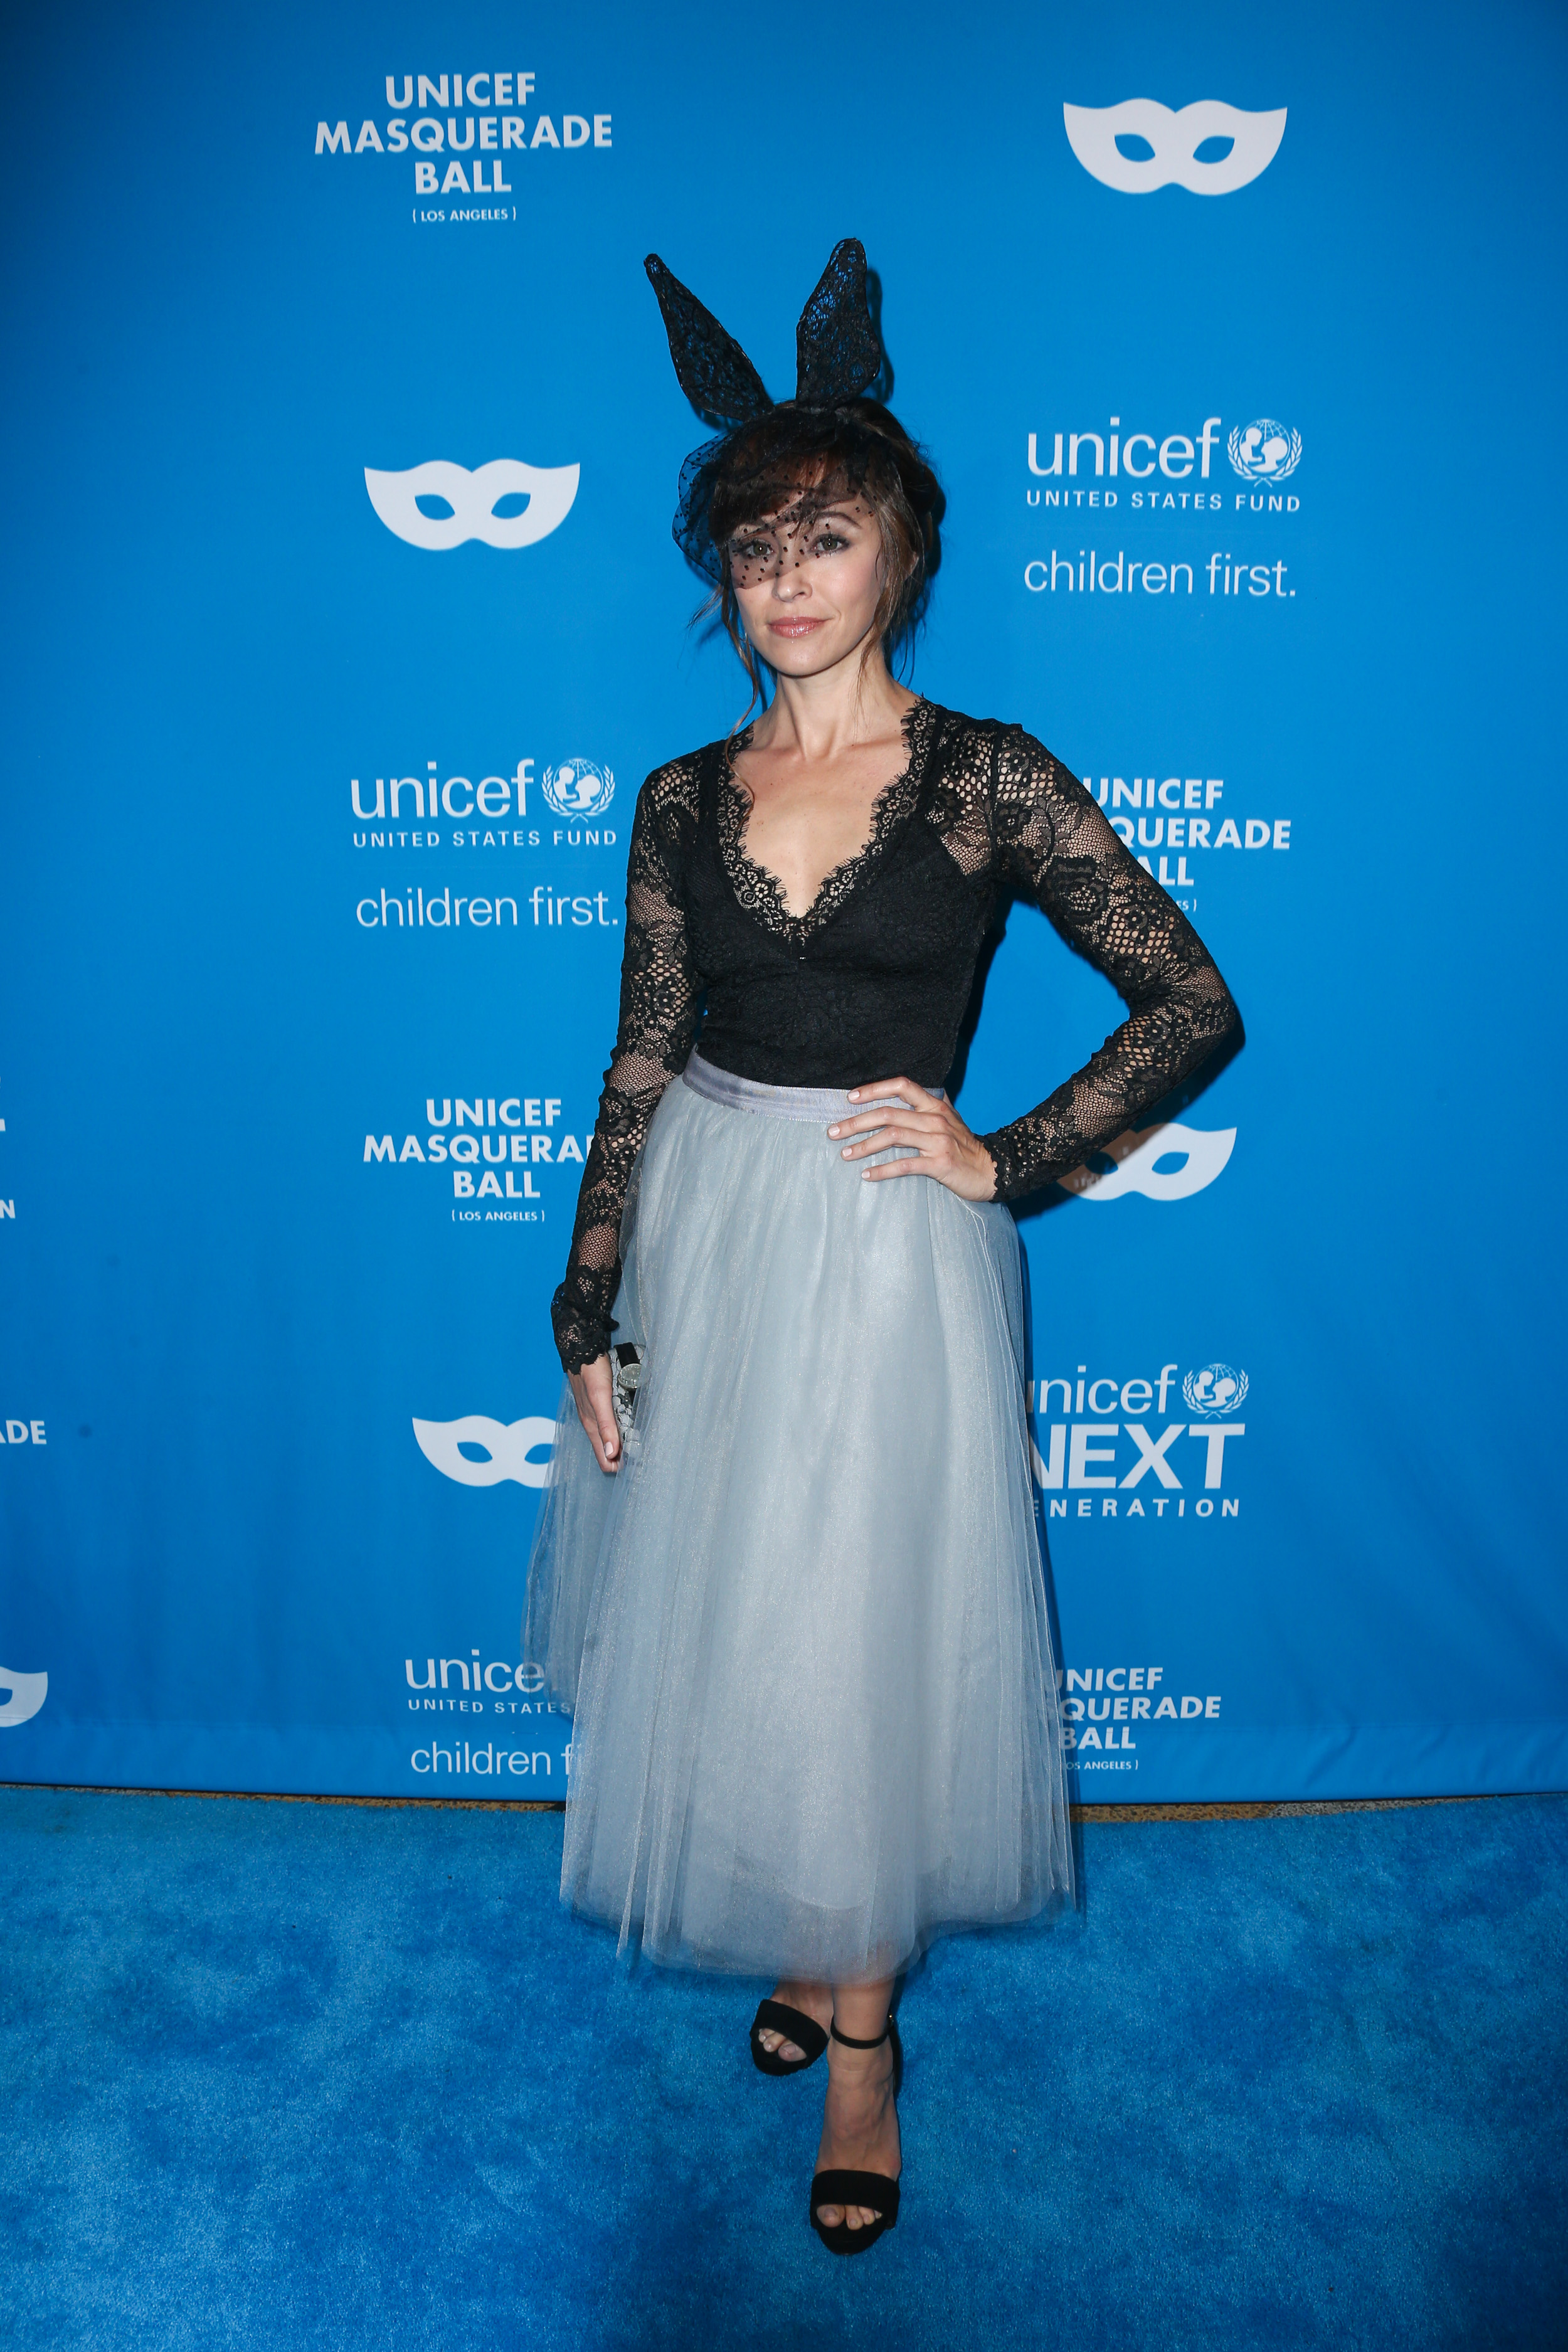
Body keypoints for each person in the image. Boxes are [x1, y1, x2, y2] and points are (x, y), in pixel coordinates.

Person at [526, 240, 1240, 2255]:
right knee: (737, 1606)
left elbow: (1188, 1002)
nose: (787, 578)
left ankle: (861, 2045)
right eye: (754, 547)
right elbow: (640, 1050)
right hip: (705, 1226)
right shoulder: (680, 798)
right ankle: (801, 1922)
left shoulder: (990, 775)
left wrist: (1004, 1159)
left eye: (824, 537)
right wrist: (586, 1299)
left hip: (879, 1244)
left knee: (852, 1623)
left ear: (900, 555)